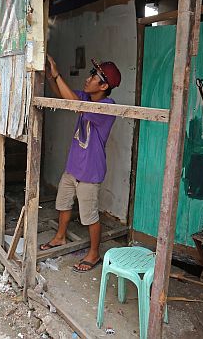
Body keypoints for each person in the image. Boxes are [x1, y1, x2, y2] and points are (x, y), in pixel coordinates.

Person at [39, 56, 121, 273]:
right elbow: (65, 97)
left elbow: (75, 105)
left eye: (94, 76)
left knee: (89, 216)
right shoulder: (87, 97)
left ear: (104, 85)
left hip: (89, 172)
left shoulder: (107, 106)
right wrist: (51, 78)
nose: (88, 78)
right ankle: (59, 237)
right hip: (73, 166)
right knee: (63, 204)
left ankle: (94, 253)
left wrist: (58, 75)